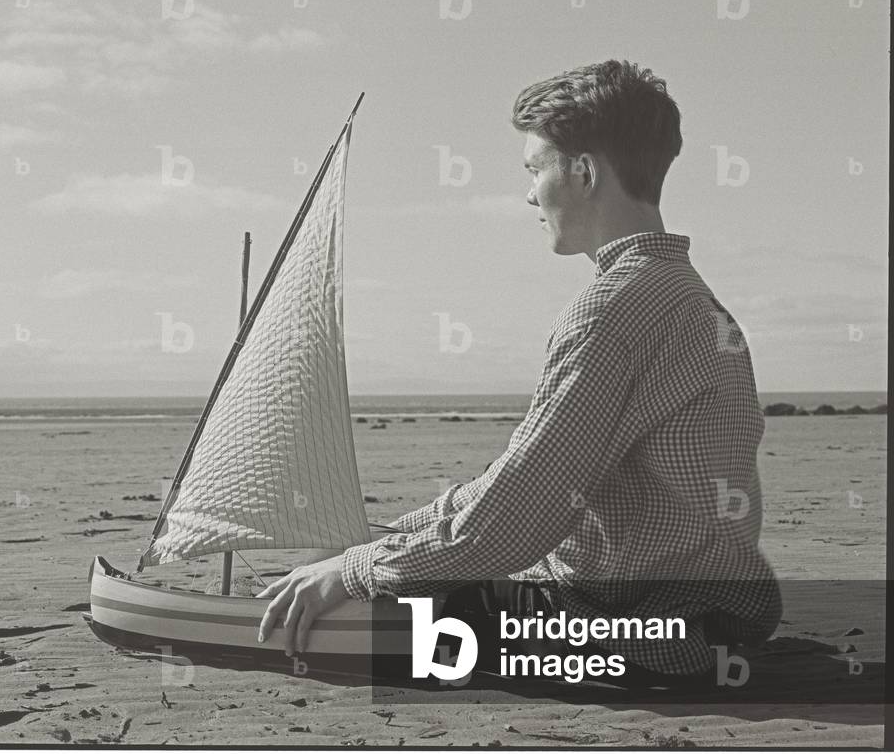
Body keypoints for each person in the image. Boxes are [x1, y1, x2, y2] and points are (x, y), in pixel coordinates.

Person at [257, 59, 782, 682]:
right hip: (721, 604)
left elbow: (516, 519)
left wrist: (352, 571)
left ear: (583, 172)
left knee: (360, 588)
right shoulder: (691, 297)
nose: (530, 194)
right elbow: (522, 482)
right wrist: (385, 540)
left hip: (635, 626)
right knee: (362, 550)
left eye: (535, 170)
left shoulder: (609, 313)